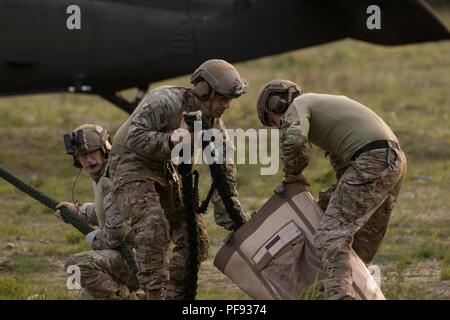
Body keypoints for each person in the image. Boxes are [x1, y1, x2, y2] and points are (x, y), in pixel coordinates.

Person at [108, 59, 248, 299]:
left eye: (230, 100)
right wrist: (174, 140)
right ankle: (155, 294)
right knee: (153, 227)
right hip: (130, 162)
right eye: (223, 98)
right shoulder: (163, 101)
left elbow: (222, 168)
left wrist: (234, 221)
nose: (227, 105)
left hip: (165, 167)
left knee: (195, 239)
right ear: (205, 91)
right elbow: (135, 138)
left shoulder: (212, 120)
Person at [256, 80, 407, 299]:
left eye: (272, 121)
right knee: (362, 246)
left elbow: (293, 142)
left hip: (373, 158)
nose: (278, 125)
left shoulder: (297, 107)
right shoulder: (325, 106)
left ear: (276, 104)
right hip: (394, 161)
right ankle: (361, 293)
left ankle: (340, 295)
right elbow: (346, 172)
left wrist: (293, 174)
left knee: (329, 235)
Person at [56, 124, 137, 299]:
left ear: (104, 150)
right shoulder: (102, 176)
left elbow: (114, 236)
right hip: (129, 255)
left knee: (76, 265)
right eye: (83, 156)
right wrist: (76, 213)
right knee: (88, 296)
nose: (89, 160)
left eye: (93, 153)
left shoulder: (112, 179)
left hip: (140, 260)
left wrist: (92, 237)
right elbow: (105, 211)